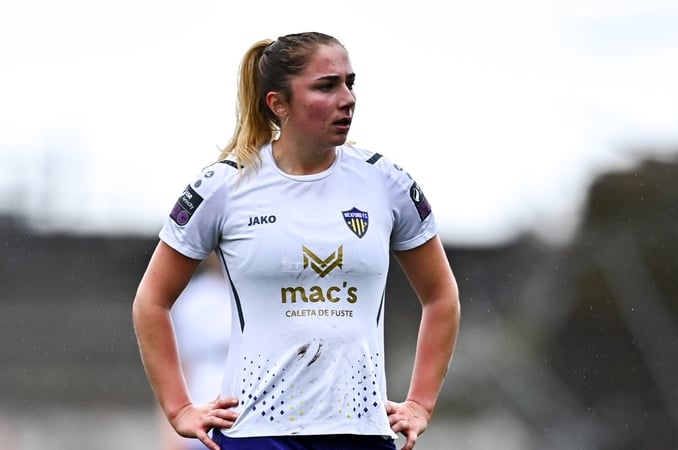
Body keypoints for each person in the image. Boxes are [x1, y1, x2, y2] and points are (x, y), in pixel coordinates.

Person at [132, 31, 460, 450]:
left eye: (350, 83)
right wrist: (179, 408)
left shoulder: (386, 182)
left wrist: (420, 403)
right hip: (256, 433)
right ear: (278, 103)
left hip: (360, 433)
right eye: (326, 86)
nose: (347, 98)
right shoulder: (224, 186)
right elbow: (151, 301)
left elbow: (441, 296)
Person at [159, 257, 231, 450]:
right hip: (199, 429)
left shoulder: (265, 297)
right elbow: (176, 369)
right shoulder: (190, 301)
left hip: (250, 426)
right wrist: (170, 437)